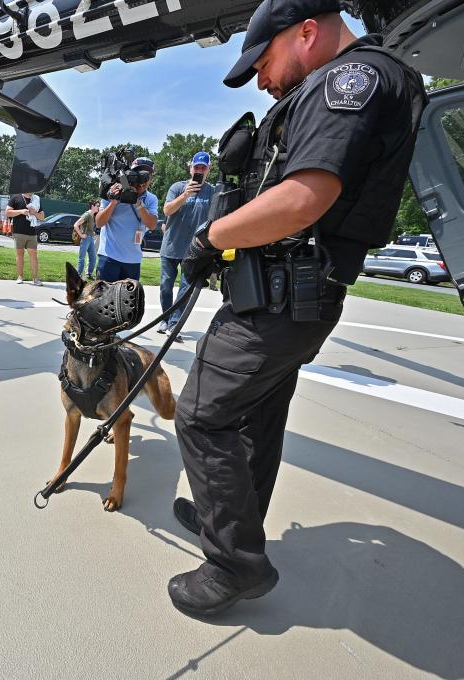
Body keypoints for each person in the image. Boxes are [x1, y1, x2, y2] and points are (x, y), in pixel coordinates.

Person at [168, 0, 427, 618]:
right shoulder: (352, 79)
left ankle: (235, 564)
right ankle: (224, 522)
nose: (259, 78)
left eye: (263, 60)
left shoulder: (349, 79)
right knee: (255, 417)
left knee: (203, 417)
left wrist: (211, 237)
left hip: (282, 299)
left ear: (307, 32)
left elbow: (305, 196)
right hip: (289, 295)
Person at [159, 152, 215, 336]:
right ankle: (165, 320)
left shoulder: (212, 192)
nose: (199, 170)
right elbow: (167, 210)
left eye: (203, 167)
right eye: (196, 167)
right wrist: (185, 195)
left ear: (208, 170)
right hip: (171, 246)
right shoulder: (177, 187)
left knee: (185, 290)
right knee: (166, 286)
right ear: (190, 168)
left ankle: (174, 324)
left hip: (193, 251)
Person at [95, 157, 159, 282]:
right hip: (109, 257)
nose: (143, 179)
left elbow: (152, 225)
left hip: (133, 260)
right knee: (104, 299)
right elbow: (99, 222)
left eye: (147, 176)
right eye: (139, 173)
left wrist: (138, 203)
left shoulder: (151, 199)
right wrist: (113, 202)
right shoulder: (113, 190)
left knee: (128, 300)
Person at [5, 192, 44, 285]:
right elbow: (7, 212)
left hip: (32, 232)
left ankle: (35, 279)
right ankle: (20, 277)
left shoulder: (36, 199)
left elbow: (42, 217)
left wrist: (34, 213)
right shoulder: (16, 197)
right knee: (20, 255)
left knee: (34, 256)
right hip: (19, 232)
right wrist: (21, 211)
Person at [74, 200, 99, 279]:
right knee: (82, 258)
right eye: (97, 206)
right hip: (85, 239)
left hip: (90, 238)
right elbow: (76, 225)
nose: (98, 207)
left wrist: (92, 232)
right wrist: (81, 235)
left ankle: (89, 274)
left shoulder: (92, 215)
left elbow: (87, 227)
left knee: (93, 258)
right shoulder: (87, 214)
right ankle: (78, 275)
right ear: (92, 206)